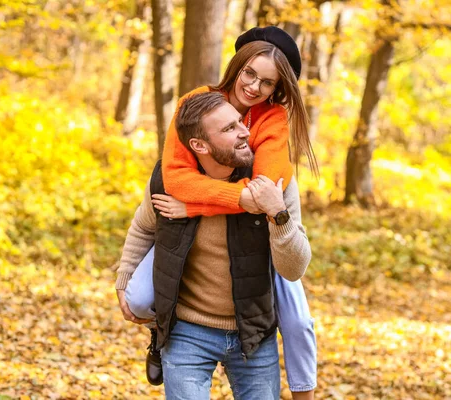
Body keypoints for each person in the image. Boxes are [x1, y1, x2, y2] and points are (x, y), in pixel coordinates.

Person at [116, 26, 318, 399]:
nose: (255, 88)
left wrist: (193, 206)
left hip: (255, 276)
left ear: (277, 90)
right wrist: (125, 272)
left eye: (268, 83)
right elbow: (174, 181)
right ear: (237, 66)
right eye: (250, 74)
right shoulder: (195, 104)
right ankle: (161, 335)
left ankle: (304, 392)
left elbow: (264, 192)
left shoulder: (273, 120)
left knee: (299, 320)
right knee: (138, 298)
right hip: (192, 319)